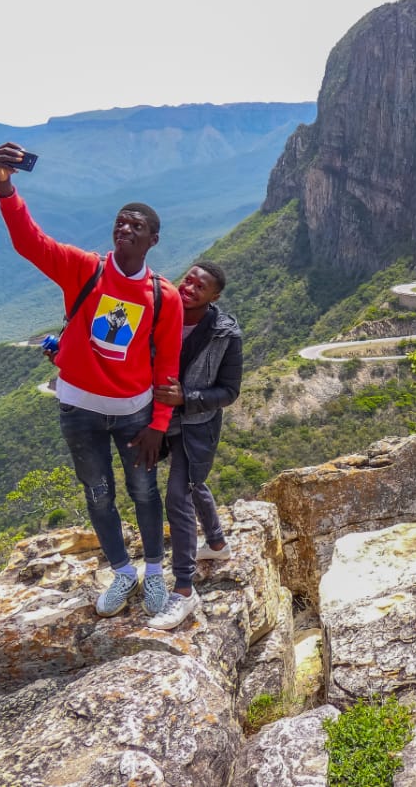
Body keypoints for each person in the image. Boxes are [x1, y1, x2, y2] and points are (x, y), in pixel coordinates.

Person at [0, 142, 183, 619]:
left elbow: (168, 367)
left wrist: (159, 424)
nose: (125, 227)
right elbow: (29, 241)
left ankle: (154, 573)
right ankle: (121, 570)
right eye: (120, 220)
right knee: (97, 492)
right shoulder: (84, 268)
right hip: (79, 409)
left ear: (153, 240)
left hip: (134, 411)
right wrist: (5, 186)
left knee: (143, 492)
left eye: (137, 225)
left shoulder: (164, 296)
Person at [149, 262, 243, 630]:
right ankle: (217, 544)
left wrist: (186, 397)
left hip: (196, 426)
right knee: (190, 483)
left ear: (214, 296)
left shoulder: (225, 335)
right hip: (158, 420)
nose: (189, 287)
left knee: (178, 496)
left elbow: (229, 391)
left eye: (200, 286)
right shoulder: (161, 312)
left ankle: (184, 590)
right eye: (188, 279)